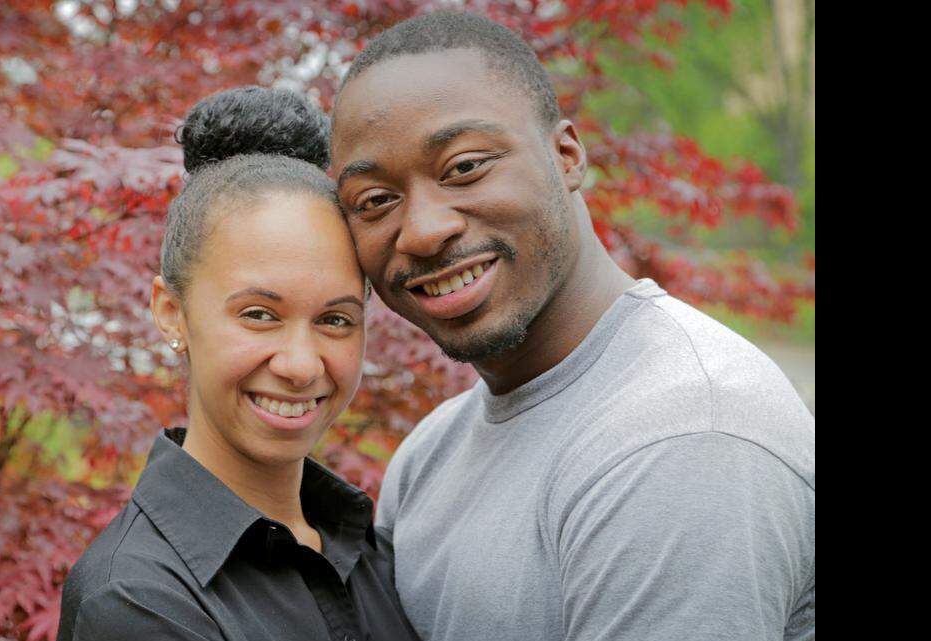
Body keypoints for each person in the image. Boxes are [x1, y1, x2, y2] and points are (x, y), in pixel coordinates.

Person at [330, 12, 814, 641]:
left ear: (566, 157)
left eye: (465, 166)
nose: (423, 230)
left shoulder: (684, 437)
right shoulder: (431, 453)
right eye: (374, 201)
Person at [57, 87, 420, 641]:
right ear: (172, 313)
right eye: (258, 314)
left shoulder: (377, 549)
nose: (301, 365)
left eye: (336, 320)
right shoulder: (137, 600)